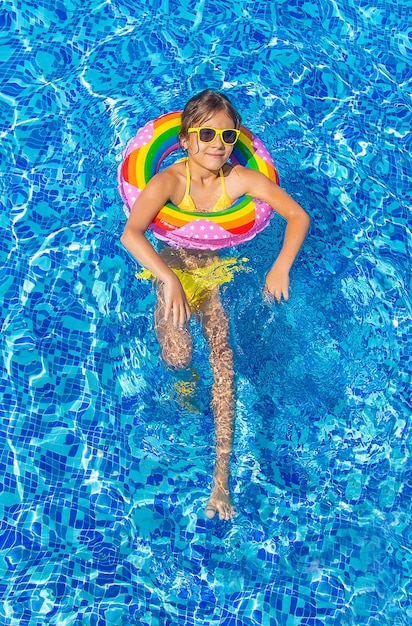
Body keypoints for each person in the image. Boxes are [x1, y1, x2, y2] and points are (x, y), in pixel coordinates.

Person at [121, 89, 310, 521]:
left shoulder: (240, 179)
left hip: (217, 279)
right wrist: (167, 279)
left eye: (228, 135)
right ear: (184, 139)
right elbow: (131, 234)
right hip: (174, 274)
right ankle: (185, 388)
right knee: (178, 355)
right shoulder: (168, 181)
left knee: (224, 361)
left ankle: (220, 479)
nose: (217, 143)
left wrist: (280, 267)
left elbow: (298, 216)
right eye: (206, 133)